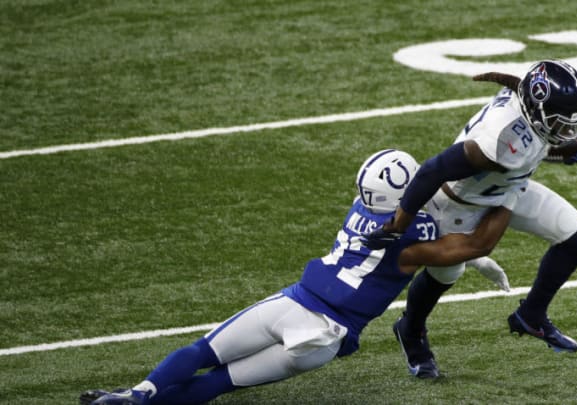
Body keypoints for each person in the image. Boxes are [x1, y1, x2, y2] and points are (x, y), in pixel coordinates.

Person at [80, 149, 515, 405]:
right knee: (218, 382)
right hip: (325, 335)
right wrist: (514, 192)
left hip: (295, 302)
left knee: (200, 353)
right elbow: (468, 244)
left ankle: (137, 394)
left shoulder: (361, 207)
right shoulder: (413, 238)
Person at [362, 59, 577, 379]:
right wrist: (401, 221)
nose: (567, 132)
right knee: (444, 275)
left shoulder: (529, 94)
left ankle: (531, 315)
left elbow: (529, 145)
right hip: (460, 205)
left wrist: (559, 150)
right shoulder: (498, 141)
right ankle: (411, 330)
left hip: (507, 188)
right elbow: (434, 169)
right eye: (560, 124)